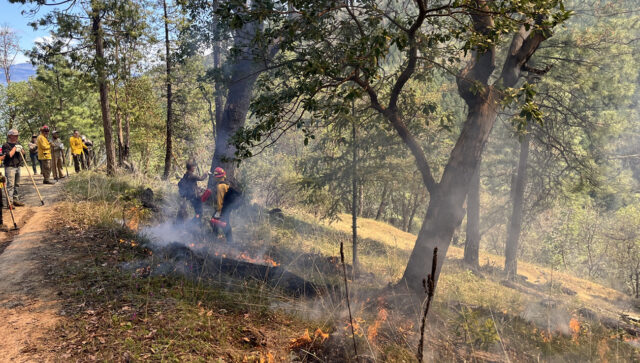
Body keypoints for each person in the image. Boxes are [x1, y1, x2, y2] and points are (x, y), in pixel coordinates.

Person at [211, 167, 234, 243]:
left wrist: (219, 211)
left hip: (222, 209)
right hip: (227, 207)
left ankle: (229, 241)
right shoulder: (226, 184)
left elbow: (220, 200)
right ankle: (214, 238)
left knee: (223, 224)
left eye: (215, 176)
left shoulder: (220, 187)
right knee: (219, 222)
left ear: (218, 177)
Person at [3, 129, 24, 207]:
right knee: (10, 185)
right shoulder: (6, 145)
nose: (16, 137)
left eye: (17, 135)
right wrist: (15, 148)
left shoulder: (18, 143)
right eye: (15, 135)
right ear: (10, 136)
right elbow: (9, 155)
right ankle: (10, 202)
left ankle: (15, 200)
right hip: (10, 167)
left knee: (17, 184)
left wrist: (21, 149)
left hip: (17, 166)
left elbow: (24, 153)